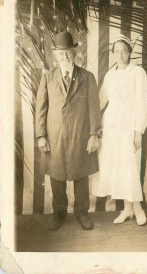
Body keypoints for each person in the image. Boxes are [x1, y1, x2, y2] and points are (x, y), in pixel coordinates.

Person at [36, 31, 101, 231]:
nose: (64, 56)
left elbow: (94, 107)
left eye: (68, 52)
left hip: (80, 135)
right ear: (56, 55)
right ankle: (60, 214)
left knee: (81, 175)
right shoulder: (48, 77)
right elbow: (41, 108)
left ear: (75, 52)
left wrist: (93, 134)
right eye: (60, 53)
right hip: (55, 136)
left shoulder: (87, 77)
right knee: (56, 176)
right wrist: (41, 135)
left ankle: (82, 213)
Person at [96, 34, 147, 225]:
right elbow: (100, 101)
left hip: (129, 125)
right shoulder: (110, 75)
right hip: (111, 126)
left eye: (124, 50)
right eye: (117, 51)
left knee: (130, 166)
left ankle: (138, 208)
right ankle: (127, 209)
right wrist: (97, 126)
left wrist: (138, 130)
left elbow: (142, 102)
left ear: (129, 53)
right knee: (119, 167)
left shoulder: (138, 72)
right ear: (113, 54)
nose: (120, 54)